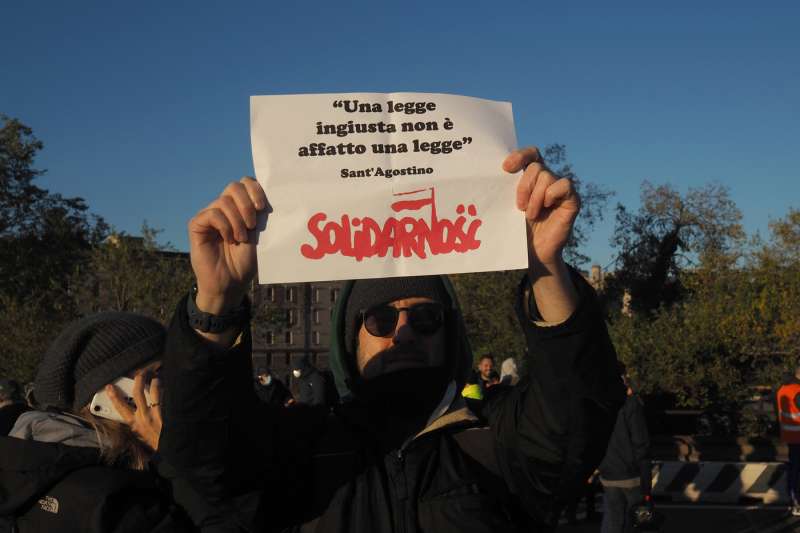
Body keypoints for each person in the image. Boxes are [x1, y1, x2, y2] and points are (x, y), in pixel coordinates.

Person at [156, 146, 626, 531]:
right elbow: (203, 467)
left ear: (450, 334)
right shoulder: (298, 446)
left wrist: (544, 265)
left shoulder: (495, 438)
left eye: (425, 319)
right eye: (380, 320)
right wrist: (216, 304)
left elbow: (580, 406)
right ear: (349, 340)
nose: (402, 333)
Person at [0, 312, 193, 532]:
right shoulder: (118, 503)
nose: (174, 384)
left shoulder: (30, 459)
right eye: (159, 372)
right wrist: (176, 460)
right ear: (113, 393)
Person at [598, 363, 652, 533]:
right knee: (639, 521)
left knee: (613, 520)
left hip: (608, 473)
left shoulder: (599, 404)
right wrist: (646, 481)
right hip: (632, 474)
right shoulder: (630, 405)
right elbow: (640, 443)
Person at [777, 362, 800, 516]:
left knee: (794, 469)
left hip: (790, 436)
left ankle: (793, 502)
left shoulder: (782, 389)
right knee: (798, 472)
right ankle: (797, 503)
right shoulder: (798, 391)